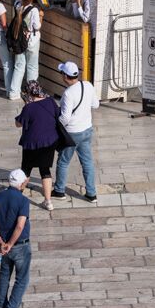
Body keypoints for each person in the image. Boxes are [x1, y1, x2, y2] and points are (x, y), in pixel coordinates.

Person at [0, 167, 32, 308]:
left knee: (4, 276)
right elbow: (20, 225)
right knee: (22, 279)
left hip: (3, 245)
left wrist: (0, 241)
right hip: (20, 245)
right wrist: (11, 244)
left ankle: (1, 307)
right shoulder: (23, 200)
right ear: (22, 183)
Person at [51, 59, 98, 201]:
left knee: (63, 162)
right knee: (87, 162)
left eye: (62, 73)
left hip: (72, 133)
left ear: (65, 76)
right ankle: (91, 194)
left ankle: (59, 191)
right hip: (87, 130)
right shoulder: (88, 85)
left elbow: (65, 118)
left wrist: (55, 125)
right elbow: (95, 105)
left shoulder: (68, 93)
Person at [17, 78, 60, 205]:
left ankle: (17, 197)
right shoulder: (50, 101)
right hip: (49, 141)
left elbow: (18, 124)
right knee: (45, 171)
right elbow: (57, 115)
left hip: (31, 144)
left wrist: (26, 104)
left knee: (26, 170)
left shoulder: (28, 107)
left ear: (28, 92)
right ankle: (48, 201)